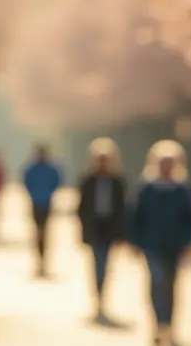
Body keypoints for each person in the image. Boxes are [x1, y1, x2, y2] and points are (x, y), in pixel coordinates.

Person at [131, 139, 191, 346]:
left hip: (175, 244)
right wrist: (135, 241)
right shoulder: (147, 189)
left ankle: (170, 323)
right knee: (157, 281)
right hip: (152, 244)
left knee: (171, 285)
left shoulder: (182, 190)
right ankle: (159, 323)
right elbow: (136, 216)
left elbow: (189, 219)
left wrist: (188, 243)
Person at [76, 137, 127, 324]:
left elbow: (123, 209)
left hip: (110, 228)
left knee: (106, 263)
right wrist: (83, 229)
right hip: (94, 228)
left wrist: (123, 234)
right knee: (97, 262)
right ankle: (98, 297)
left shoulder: (117, 182)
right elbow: (81, 208)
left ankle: (103, 293)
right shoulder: (88, 181)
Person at [22, 142, 62, 277]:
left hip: (44, 203)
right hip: (38, 203)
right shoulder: (35, 169)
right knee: (40, 232)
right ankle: (40, 260)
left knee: (43, 232)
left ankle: (43, 260)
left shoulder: (48, 169)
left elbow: (57, 182)